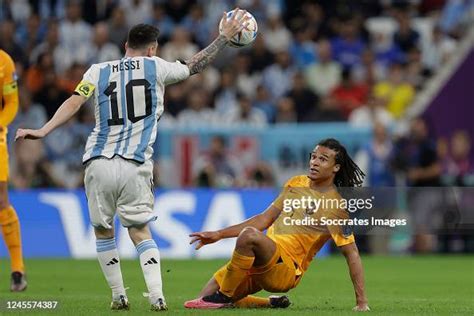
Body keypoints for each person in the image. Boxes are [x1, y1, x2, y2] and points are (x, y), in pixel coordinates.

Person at [16, 10, 249, 311]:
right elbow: (194, 65)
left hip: (98, 162)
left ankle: (118, 296)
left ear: (125, 45)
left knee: (103, 232)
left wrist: (43, 129)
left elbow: (75, 100)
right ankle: (157, 295)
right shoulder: (157, 67)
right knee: (140, 232)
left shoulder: (97, 71)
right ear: (152, 48)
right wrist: (223, 39)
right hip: (135, 164)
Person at [184, 138, 370, 311]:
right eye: (313, 157)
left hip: (286, 269)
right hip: (264, 257)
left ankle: (223, 296)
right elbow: (264, 219)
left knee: (249, 237)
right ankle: (269, 302)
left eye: (323, 159)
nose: (314, 162)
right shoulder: (296, 182)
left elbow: (351, 252)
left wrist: (361, 302)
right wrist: (218, 234)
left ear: (335, 167)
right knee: (202, 300)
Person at [0, 49, 27, 291]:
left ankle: (17, 269)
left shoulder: (4, 61)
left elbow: (12, 102)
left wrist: (1, 123)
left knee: (1, 201)